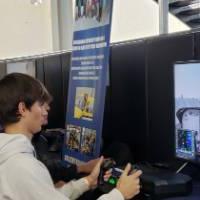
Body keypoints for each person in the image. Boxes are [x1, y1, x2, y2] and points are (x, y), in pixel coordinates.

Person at [0, 73, 142, 200]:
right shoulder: (23, 166)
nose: (47, 109)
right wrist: (120, 194)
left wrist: (86, 182)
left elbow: (47, 195)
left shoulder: (10, 157)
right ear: (22, 109)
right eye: (41, 104)